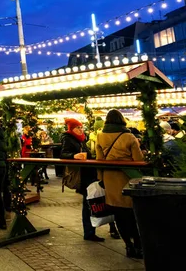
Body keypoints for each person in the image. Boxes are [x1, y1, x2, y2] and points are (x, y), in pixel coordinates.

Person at [96, 109, 144, 259]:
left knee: (119, 215)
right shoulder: (129, 136)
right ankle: (138, 246)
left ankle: (128, 246)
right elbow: (138, 159)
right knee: (133, 214)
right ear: (122, 120)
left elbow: (99, 160)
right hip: (128, 178)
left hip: (110, 179)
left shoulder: (100, 136)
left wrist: (101, 179)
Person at [60, 118, 104, 242]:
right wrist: (73, 156)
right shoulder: (68, 138)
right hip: (82, 175)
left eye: (81, 127)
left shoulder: (81, 139)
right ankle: (89, 232)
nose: (80, 129)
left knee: (89, 202)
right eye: (77, 128)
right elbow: (63, 154)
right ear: (71, 129)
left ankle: (90, 232)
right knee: (88, 203)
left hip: (88, 173)